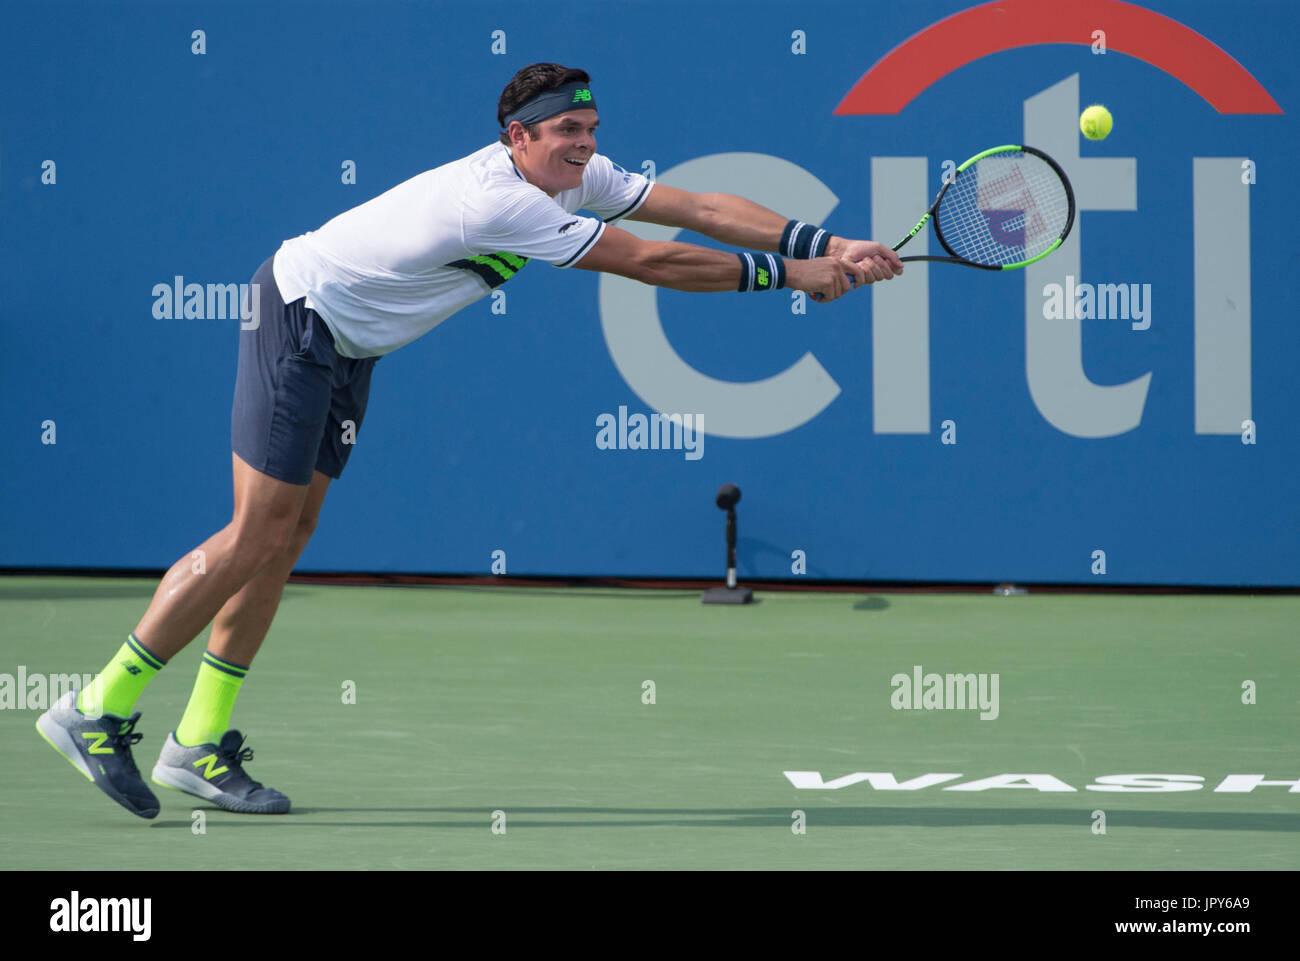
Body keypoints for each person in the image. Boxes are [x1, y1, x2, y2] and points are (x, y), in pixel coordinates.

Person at [35, 62, 903, 819]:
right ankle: (96, 706)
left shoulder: (571, 175)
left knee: (288, 539)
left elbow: (701, 206)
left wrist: (825, 242)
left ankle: (198, 745)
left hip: (351, 346)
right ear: (517, 136)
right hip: (300, 315)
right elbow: (650, 262)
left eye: (592, 130)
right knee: (256, 530)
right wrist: (792, 277)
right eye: (568, 130)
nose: (584, 146)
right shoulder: (497, 202)